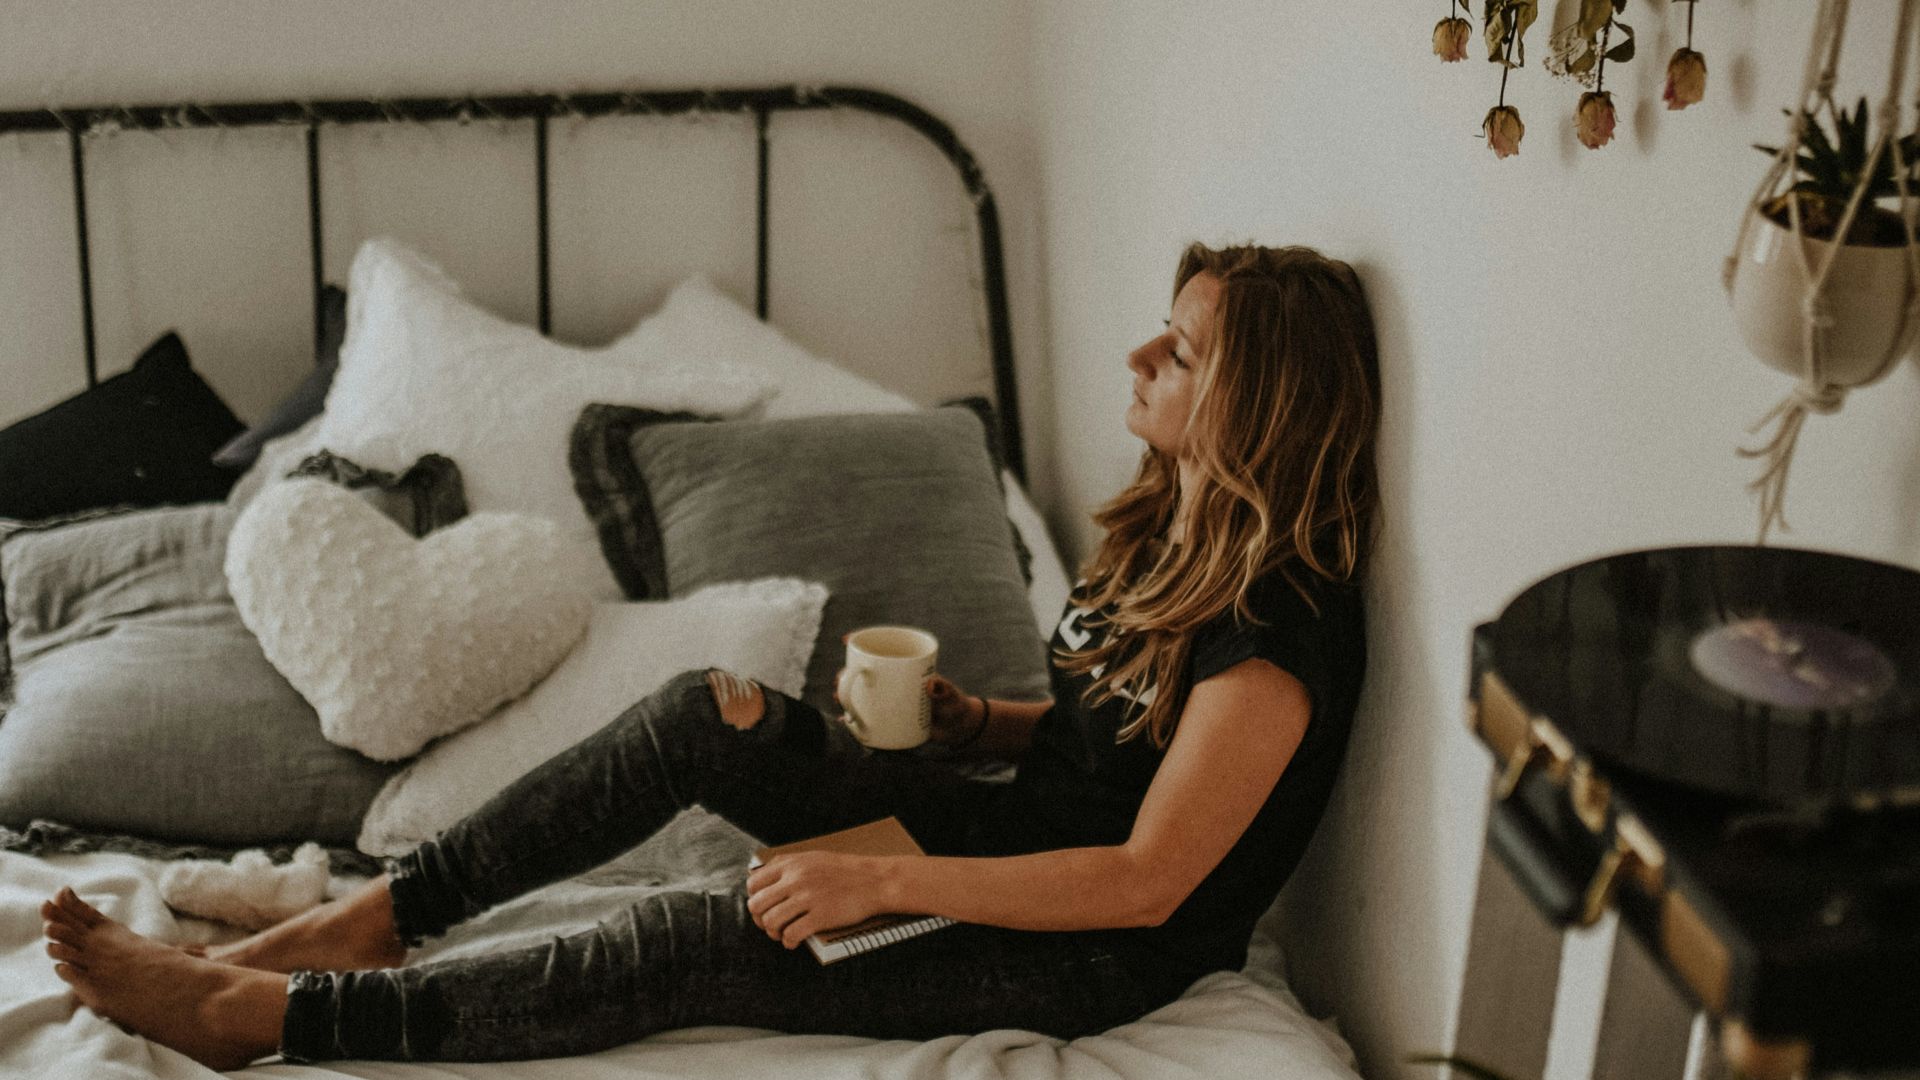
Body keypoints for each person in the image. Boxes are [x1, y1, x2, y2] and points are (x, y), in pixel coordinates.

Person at [39, 242, 1380, 1070]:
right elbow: (1114, 748)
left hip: (1084, 947)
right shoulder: (1166, 533)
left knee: (701, 932)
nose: (1142, 351)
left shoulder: (1279, 634)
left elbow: (1147, 882)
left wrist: (873, 878)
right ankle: (376, 919)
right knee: (709, 714)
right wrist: (986, 723)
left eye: (1182, 348)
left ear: (1251, 403)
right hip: (997, 837)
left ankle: (278, 1022)